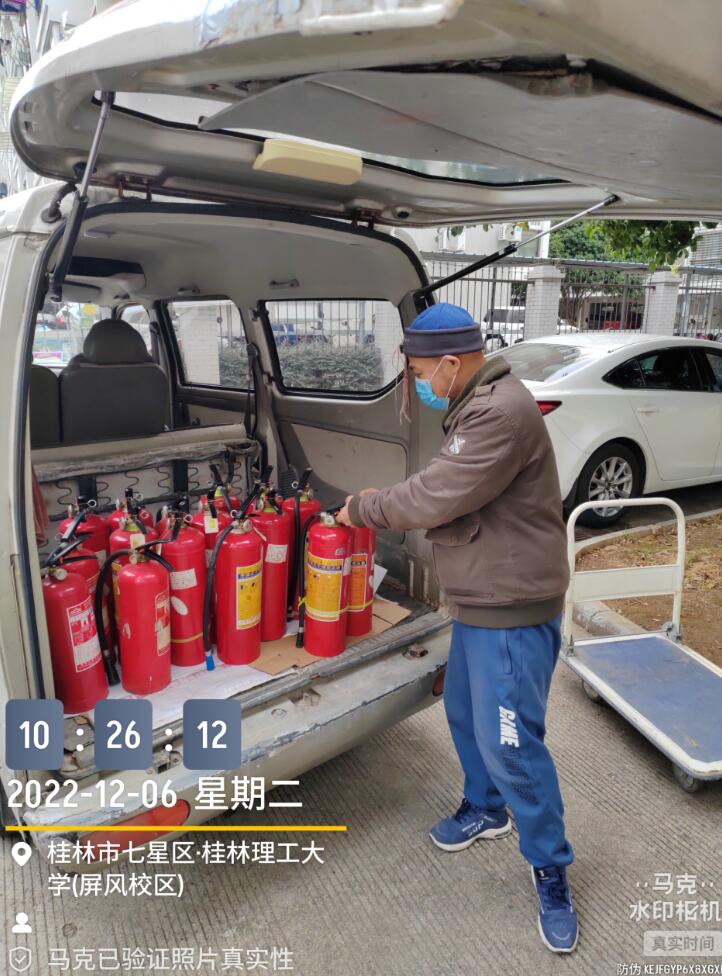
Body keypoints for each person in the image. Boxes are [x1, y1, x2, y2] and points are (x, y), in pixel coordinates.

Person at [337, 302, 578, 953]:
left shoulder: (497, 412)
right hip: (482, 596)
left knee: (512, 743)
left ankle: (551, 866)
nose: (420, 385)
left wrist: (364, 508)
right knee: (467, 714)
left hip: (513, 605)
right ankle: (487, 807)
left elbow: (435, 494)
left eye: (420, 374)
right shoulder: (476, 401)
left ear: (450, 362)